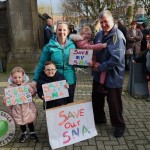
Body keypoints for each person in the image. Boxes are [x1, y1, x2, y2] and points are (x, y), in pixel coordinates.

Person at [89, 10, 126, 138]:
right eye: (101, 22)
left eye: (106, 21)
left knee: (114, 103)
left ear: (112, 20)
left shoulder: (117, 36)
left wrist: (100, 67)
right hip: (99, 75)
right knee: (97, 99)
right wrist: (92, 61)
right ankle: (100, 119)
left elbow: (116, 59)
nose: (104, 24)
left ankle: (119, 125)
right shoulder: (99, 34)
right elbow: (94, 50)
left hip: (113, 75)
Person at [32, 21, 76, 104]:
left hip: (70, 81)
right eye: (59, 30)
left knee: (69, 105)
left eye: (64, 30)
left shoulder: (73, 45)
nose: (62, 32)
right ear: (56, 31)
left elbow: (78, 61)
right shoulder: (49, 46)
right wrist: (35, 80)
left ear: (68, 31)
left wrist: (86, 64)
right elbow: (41, 64)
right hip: (55, 82)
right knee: (55, 107)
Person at [3, 67, 39, 143]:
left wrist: (32, 91)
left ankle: (32, 133)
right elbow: (6, 97)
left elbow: (33, 94)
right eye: (15, 77)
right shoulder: (10, 88)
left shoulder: (27, 86)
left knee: (30, 121)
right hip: (17, 109)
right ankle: (24, 133)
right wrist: (5, 100)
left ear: (23, 77)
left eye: (19, 77)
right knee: (21, 121)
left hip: (28, 108)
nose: (17, 79)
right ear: (12, 78)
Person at [133, 35, 150, 101]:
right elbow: (140, 57)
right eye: (148, 43)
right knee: (149, 83)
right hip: (148, 70)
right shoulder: (146, 52)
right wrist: (135, 60)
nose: (147, 44)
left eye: (148, 43)